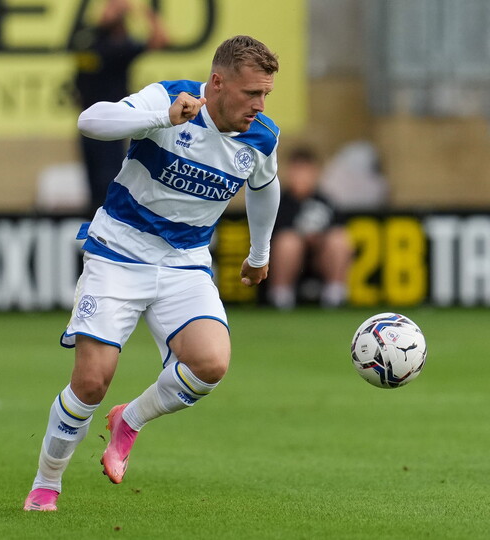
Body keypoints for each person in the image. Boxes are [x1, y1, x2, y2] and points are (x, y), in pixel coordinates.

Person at [23, 35, 281, 512]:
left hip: (185, 263)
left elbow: (266, 186)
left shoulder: (261, 136)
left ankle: (131, 421)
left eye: (266, 94)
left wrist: (259, 252)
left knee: (210, 365)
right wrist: (162, 118)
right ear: (218, 83)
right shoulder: (168, 98)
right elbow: (90, 120)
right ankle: (46, 482)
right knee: (92, 381)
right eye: (251, 94)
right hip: (119, 251)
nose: (259, 105)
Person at [73, 0, 169, 214]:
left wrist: (149, 16)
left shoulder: (121, 47)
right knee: (92, 184)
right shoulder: (90, 38)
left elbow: (161, 40)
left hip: (110, 122)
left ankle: (111, 223)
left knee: (107, 180)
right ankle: (93, 227)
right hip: (87, 121)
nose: (106, 10)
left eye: (112, 8)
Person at [267, 147, 352, 309]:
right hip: (286, 262)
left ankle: (335, 294)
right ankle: (280, 295)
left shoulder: (326, 202)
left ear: (315, 173)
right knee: (288, 242)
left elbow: (337, 232)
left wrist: (317, 240)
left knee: (339, 239)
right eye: (297, 171)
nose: (301, 177)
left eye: (306, 171)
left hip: (319, 259)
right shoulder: (278, 202)